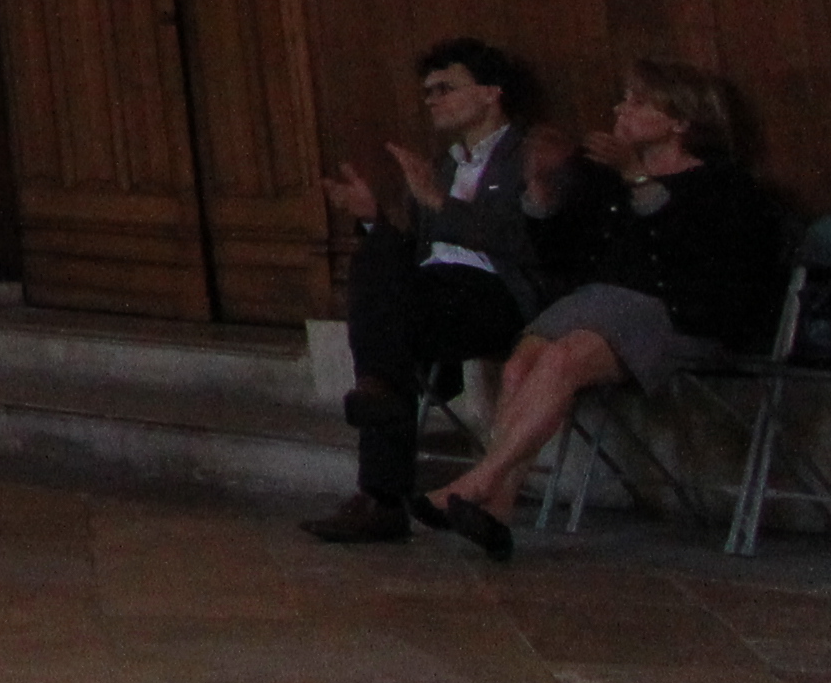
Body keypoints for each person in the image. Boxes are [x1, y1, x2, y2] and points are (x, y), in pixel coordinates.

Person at [418, 62, 784, 558]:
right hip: (600, 304)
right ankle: (498, 506)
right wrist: (543, 190)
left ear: (680, 121)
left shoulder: (723, 184)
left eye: (636, 101)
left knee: (560, 360)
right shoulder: (606, 181)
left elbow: (687, 259)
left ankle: (479, 481)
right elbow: (562, 254)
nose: (619, 109)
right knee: (519, 366)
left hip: (678, 312)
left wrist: (635, 177)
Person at [305, 37, 571, 545]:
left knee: (390, 329)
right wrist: (373, 220)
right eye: (427, 92)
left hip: (500, 297)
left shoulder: (530, 152)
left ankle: (380, 494)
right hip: (436, 295)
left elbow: (533, 243)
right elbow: (422, 248)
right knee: (383, 267)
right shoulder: (445, 163)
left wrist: (438, 203)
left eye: (445, 88)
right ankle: (381, 459)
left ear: (491, 92)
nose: (432, 100)